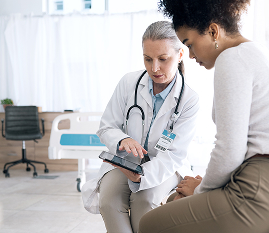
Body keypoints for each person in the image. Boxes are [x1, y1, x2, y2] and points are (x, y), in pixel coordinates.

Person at [139, 1, 269, 233]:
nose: (192, 55)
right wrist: (204, 187)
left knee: (150, 224)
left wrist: (200, 191)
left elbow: (229, 150)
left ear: (214, 31)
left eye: (191, 44)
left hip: (267, 188)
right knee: (175, 201)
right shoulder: (256, 53)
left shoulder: (232, 58)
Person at [81, 20, 199, 233]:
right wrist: (122, 139)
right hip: (126, 162)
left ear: (180, 54)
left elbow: (174, 155)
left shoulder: (189, 99)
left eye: (163, 59)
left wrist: (144, 174)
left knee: (144, 202)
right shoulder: (129, 83)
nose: (154, 68)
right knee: (109, 202)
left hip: (164, 165)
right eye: (148, 59)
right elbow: (106, 127)